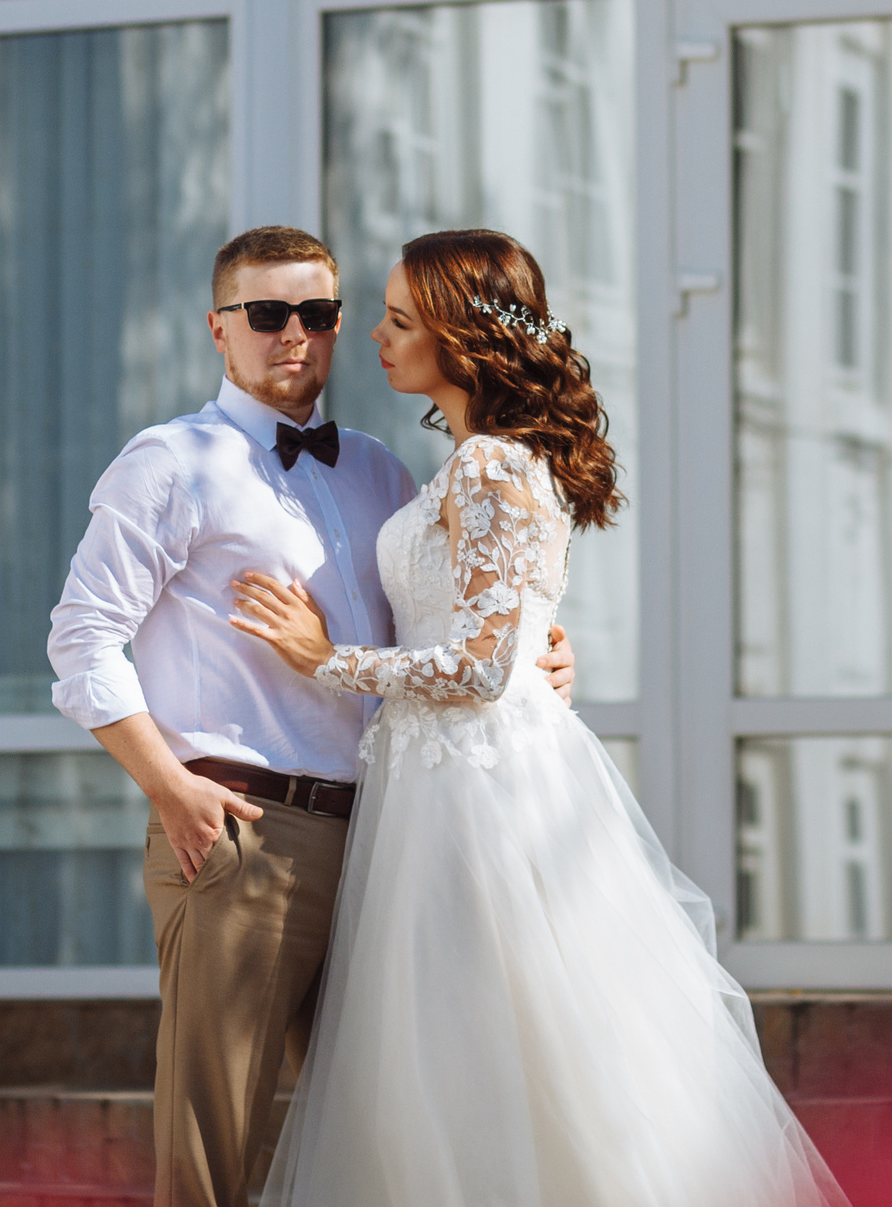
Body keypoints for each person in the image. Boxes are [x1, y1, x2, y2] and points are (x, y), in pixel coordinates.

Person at [230, 228, 847, 1207]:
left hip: (481, 794)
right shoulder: (471, 464)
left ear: (460, 337)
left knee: (493, 1043)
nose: (377, 340)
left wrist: (323, 659)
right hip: (438, 779)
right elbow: (501, 640)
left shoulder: (490, 471)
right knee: (453, 1046)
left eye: (399, 320)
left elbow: (479, 668)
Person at [43, 225, 576, 1207]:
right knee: (214, 1153)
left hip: (394, 837)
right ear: (219, 328)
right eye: (267, 313)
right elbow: (80, 643)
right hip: (245, 832)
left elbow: (452, 619)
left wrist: (537, 647)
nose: (296, 333)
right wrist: (170, 787)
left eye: (319, 313)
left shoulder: (380, 470)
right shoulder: (172, 463)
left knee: (400, 1132)